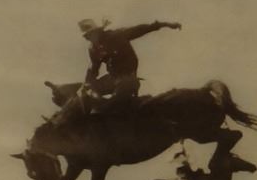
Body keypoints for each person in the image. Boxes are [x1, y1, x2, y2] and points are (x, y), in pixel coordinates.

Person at [54, 18, 183, 125]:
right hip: (112, 78)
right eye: (86, 37)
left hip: (127, 78)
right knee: (85, 93)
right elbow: (93, 68)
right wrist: (86, 85)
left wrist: (165, 24)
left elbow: (142, 29)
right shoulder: (93, 49)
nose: (89, 38)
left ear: (98, 31)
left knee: (114, 105)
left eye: (90, 34)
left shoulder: (117, 35)